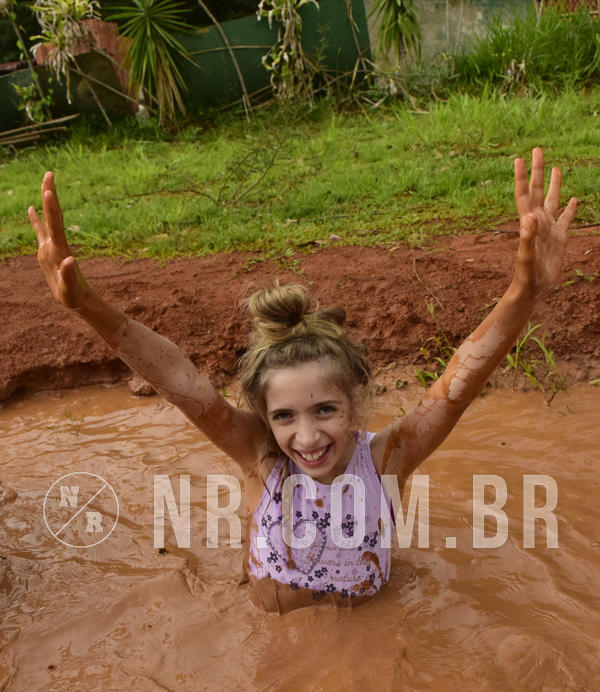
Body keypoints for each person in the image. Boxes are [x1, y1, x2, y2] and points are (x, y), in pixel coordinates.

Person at [29, 149, 577, 613]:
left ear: (354, 401)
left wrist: (523, 291)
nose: (307, 437)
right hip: (266, 631)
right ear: (264, 418)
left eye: (325, 410)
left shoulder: (388, 459)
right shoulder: (259, 456)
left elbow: (456, 384)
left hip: (367, 626)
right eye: (284, 416)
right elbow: (177, 378)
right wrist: (87, 306)